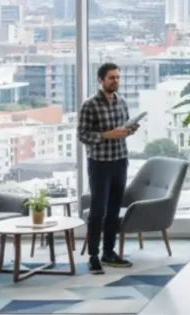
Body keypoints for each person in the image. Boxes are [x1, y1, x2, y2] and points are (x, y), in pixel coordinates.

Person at [77, 62, 138, 274]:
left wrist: (129, 130)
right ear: (101, 80)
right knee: (97, 211)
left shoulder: (122, 102)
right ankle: (93, 255)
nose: (116, 81)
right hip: (99, 164)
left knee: (113, 211)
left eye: (118, 77)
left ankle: (109, 252)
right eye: (112, 78)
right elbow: (82, 135)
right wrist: (105, 135)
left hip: (120, 160)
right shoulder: (90, 105)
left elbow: (124, 127)